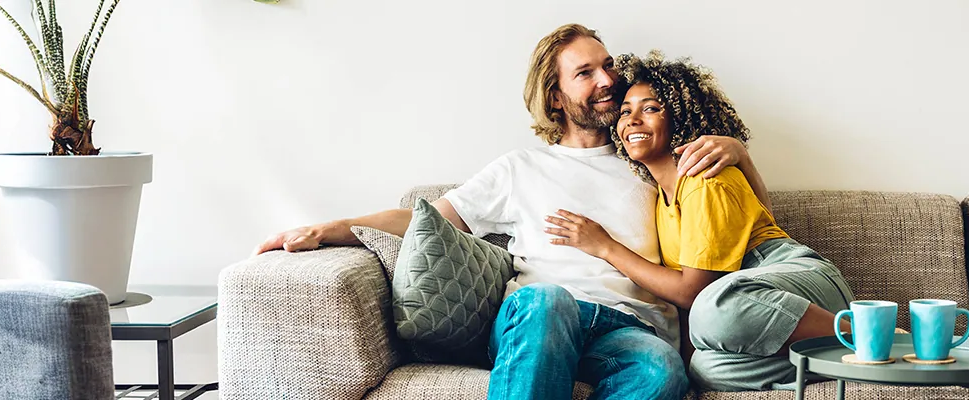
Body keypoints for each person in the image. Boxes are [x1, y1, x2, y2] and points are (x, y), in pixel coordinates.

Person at [253, 25, 775, 399]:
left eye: (608, 65)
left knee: (662, 371)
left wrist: (740, 153)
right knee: (548, 300)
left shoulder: (652, 160)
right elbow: (424, 220)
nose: (608, 79)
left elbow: (751, 223)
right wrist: (329, 228)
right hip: (540, 316)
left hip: (630, 327)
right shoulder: (521, 168)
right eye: (586, 72)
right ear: (556, 98)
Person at [546, 51, 857, 392]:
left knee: (711, 308)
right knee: (705, 368)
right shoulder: (660, 198)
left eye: (650, 109)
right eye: (625, 111)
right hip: (749, 307)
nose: (632, 120)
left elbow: (692, 292)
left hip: (798, 284)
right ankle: (842, 358)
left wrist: (606, 248)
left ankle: (871, 336)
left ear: (679, 119)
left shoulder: (704, 179)